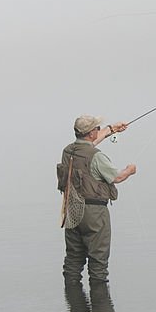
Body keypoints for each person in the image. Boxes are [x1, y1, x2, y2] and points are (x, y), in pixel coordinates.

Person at [58, 115, 137, 284]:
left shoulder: (68, 151)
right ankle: (100, 305)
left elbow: (86, 147)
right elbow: (117, 177)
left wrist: (111, 129)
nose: (98, 131)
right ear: (92, 133)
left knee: (73, 260)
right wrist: (130, 170)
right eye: (97, 129)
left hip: (72, 210)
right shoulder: (97, 156)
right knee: (98, 262)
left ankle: (75, 305)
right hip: (94, 214)